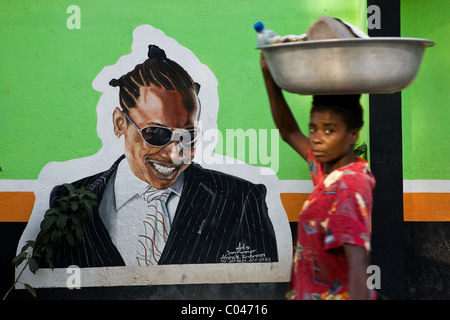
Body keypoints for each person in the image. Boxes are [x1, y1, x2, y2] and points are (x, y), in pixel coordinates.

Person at [34, 45, 278, 268]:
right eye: (157, 133)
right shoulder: (67, 201)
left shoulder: (241, 200)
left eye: (188, 136)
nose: (174, 154)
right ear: (120, 123)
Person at [260, 54, 375, 300]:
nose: (317, 137)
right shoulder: (326, 171)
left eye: (329, 130)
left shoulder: (349, 184)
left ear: (353, 134)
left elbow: (357, 260)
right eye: (313, 128)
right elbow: (289, 131)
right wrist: (269, 76)